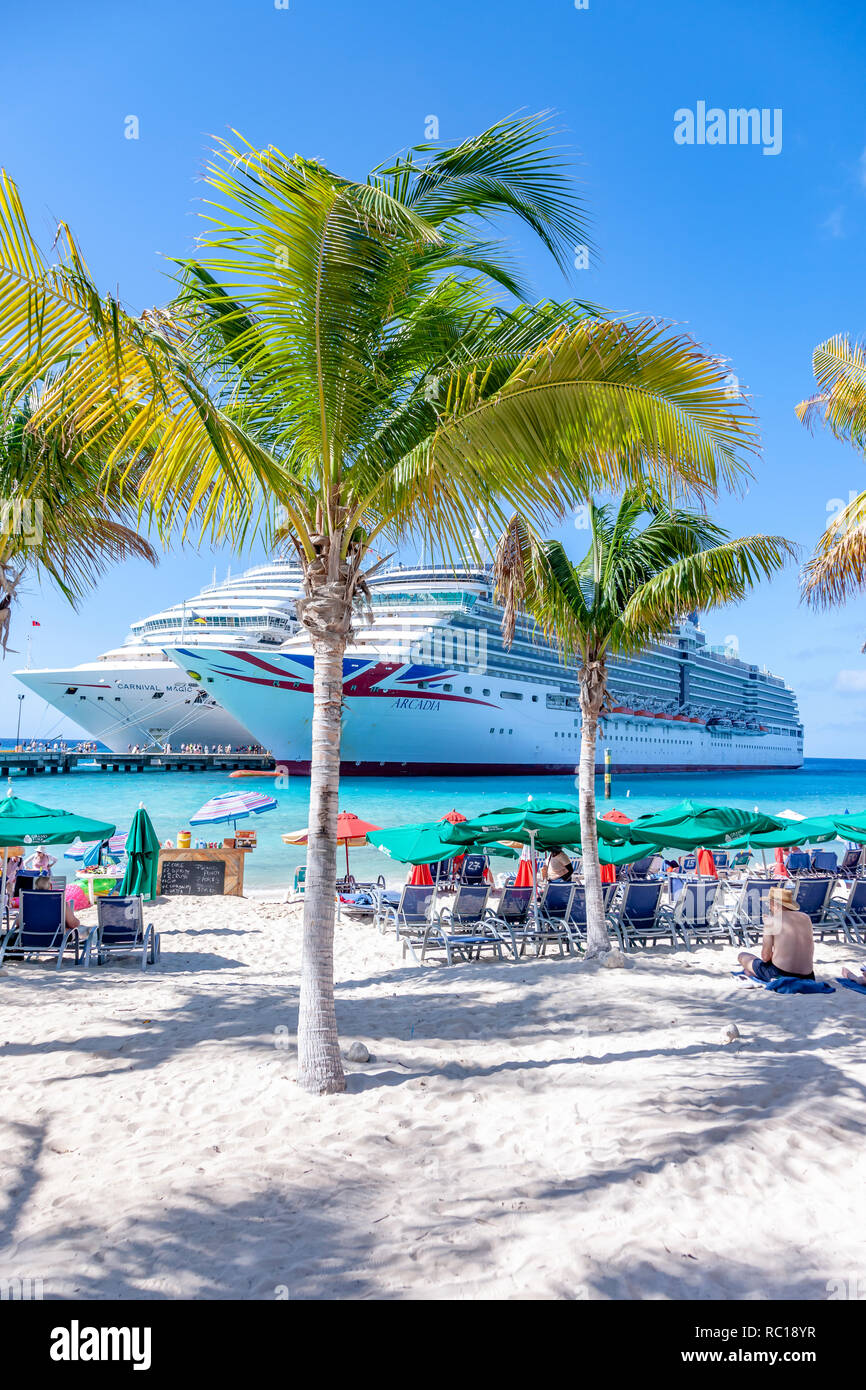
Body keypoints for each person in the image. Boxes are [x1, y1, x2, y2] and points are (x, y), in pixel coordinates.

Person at [738, 885, 815, 982]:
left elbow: (765, 957)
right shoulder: (806, 918)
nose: (769, 907)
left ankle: (752, 973)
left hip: (780, 974)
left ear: (774, 904)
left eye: (769, 904)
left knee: (742, 956)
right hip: (808, 976)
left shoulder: (772, 920)